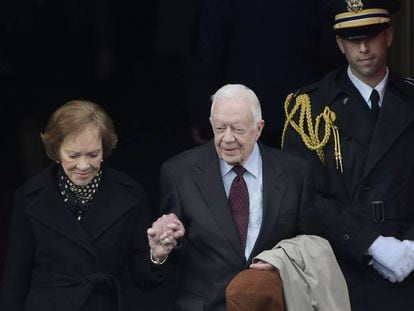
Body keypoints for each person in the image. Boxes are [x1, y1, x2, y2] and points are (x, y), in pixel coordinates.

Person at [281, 0, 414, 310]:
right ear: (340, 44)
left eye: (371, 35)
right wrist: (372, 244)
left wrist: (410, 246)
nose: (364, 47)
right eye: (353, 39)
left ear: (389, 36)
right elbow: (304, 197)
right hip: (342, 265)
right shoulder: (310, 108)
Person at [0, 100, 183, 311]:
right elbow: (16, 279)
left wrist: (156, 256)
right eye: (73, 155)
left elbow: (142, 278)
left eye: (93, 154)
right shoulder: (28, 196)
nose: (84, 165)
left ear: (104, 150)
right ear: (56, 151)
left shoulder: (130, 194)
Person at [159, 84, 317, 310]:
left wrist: (281, 262)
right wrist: (168, 243)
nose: (227, 138)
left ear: (259, 128)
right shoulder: (179, 173)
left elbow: (310, 247)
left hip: (271, 303)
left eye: (238, 130)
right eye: (220, 128)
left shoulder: (295, 173)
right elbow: (174, 257)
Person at [188, 0, 344, 147]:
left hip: (242, 108)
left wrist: (203, 114)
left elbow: (209, 51)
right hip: (301, 106)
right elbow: (330, 44)